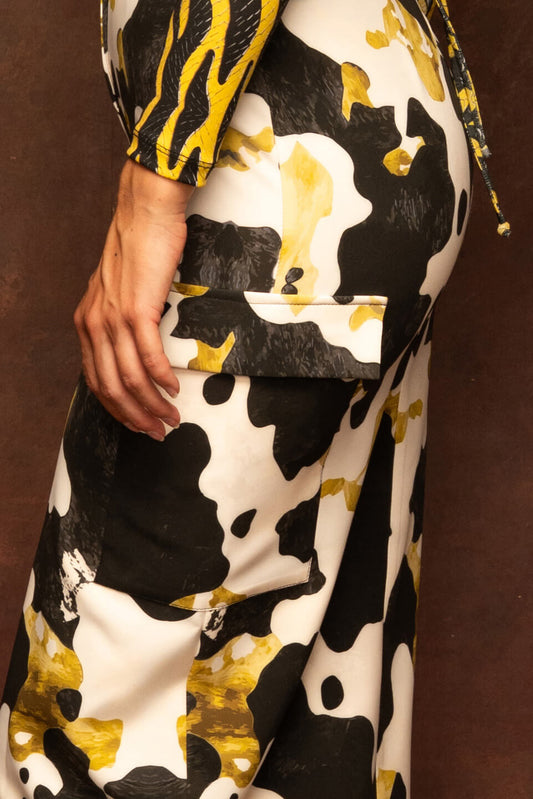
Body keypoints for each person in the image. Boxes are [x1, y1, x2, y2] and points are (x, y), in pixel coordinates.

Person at [0, 1, 508, 797]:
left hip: (272, 204)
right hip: (363, 179)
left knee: (100, 739)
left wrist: (154, 180)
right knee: (317, 730)